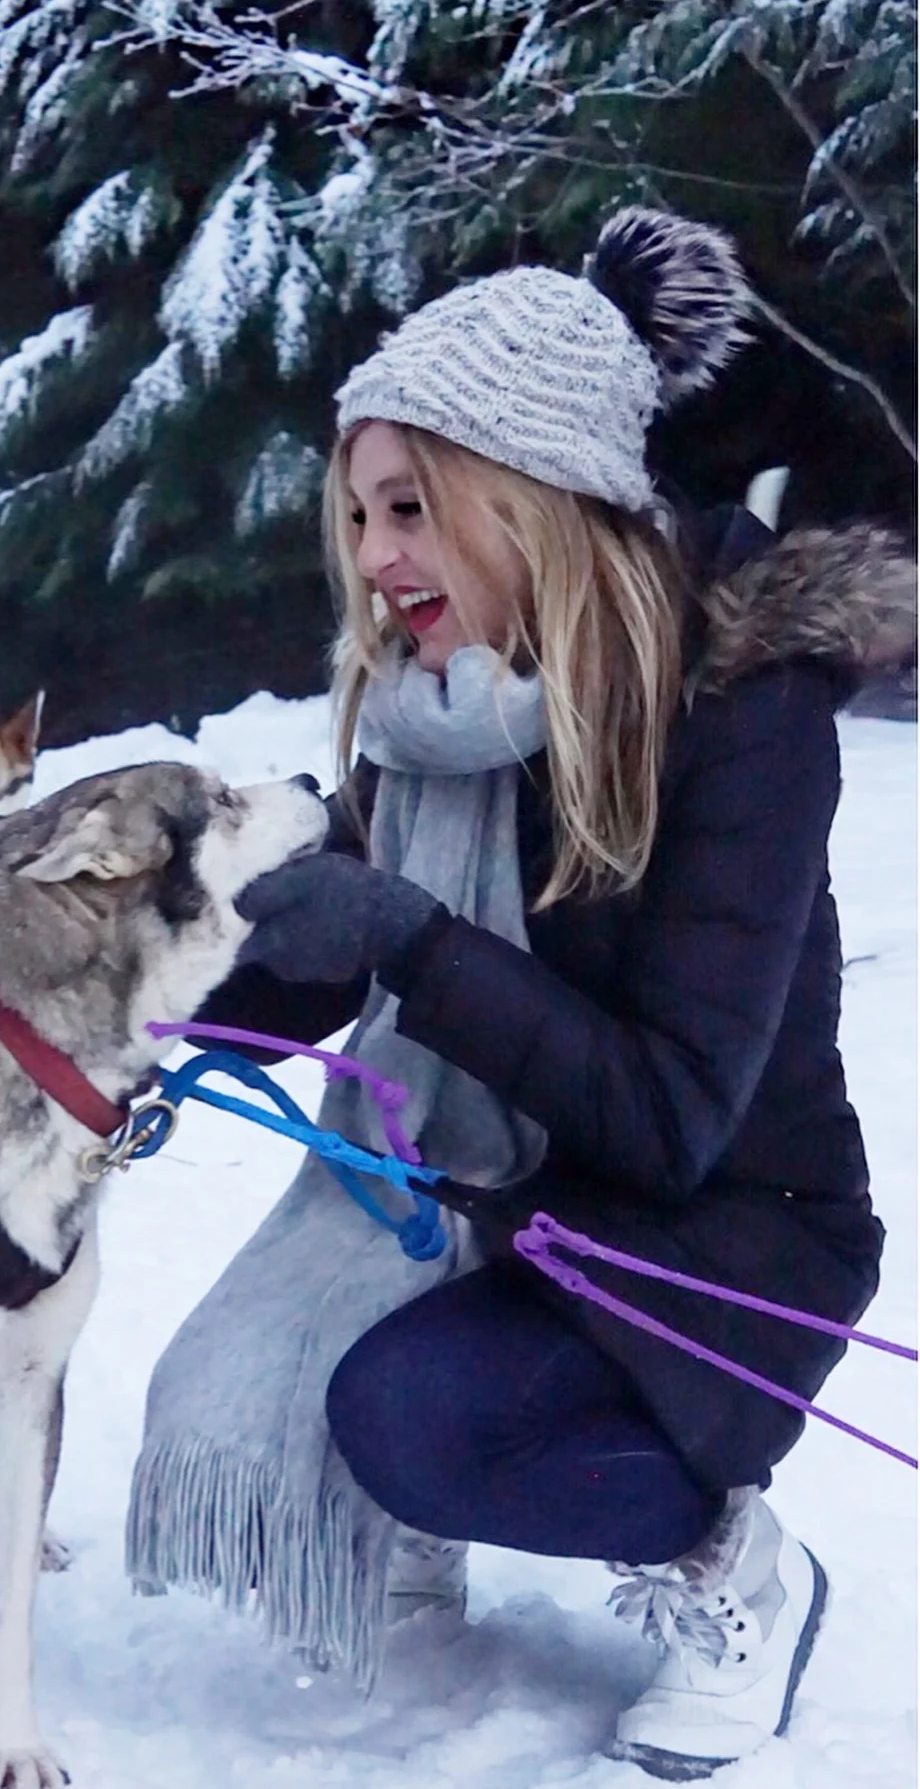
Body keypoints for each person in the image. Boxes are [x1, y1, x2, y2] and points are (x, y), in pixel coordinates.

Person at [126, 209, 908, 1780]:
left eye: (410, 507)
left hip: (726, 1241)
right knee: (308, 1361)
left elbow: (673, 1117)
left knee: (412, 1421)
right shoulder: (442, 716)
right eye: (360, 515)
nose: (374, 558)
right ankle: (423, 1507)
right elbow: (325, 960)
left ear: (530, 493)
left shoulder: (743, 717)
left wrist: (412, 939)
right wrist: (144, 993)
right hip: (519, 1206)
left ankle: (735, 1565)